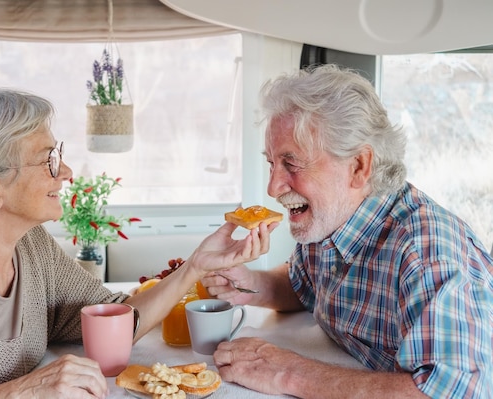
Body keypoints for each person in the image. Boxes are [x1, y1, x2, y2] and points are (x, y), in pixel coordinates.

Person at [0, 87, 277, 398]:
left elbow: (118, 322)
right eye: (47, 159)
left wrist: (198, 266)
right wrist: (26, 390)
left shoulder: (31, 247)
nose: (65, 171)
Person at [202, 64, 493, 398]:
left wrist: (288, 372)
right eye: (272, 164)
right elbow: (304, 286)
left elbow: (455, 392)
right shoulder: (331, 219)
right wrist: (252, 285)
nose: (273, 187)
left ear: (358, 166)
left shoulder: (427, 252)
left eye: (292, 164)